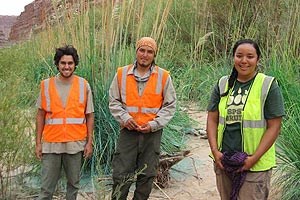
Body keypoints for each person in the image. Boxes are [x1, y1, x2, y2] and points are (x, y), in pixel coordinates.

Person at [206, 39, 285, 200]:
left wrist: (253, 159)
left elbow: (274, 126)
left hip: (255, 165)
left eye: (250, 56)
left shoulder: (268, 85)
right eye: (239, 55)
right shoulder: (223, 84)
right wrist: (215, 152)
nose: (244, 61)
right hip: (224, 161)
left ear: (258, 60)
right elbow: (212, 119)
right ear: (233, 57)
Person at [109, 37, 176, 200]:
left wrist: (154, 124)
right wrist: (125, 118)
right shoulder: (121, 73)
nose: (145, 55)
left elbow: (170, 105)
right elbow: (113, 101)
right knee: (121, 174)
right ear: (136, 51)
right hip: (128, 133)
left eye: (150, 52)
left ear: (154, 55)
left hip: (151, 135)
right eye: (142, 50)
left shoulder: (164, 76)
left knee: (146, 176)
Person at [35, 45, 94, 200]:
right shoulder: (46, 85)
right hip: (51, 144)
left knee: (73, 186)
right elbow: (40, 115)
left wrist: (89, 142)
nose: (66, 66)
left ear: (75, 64)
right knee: (46, 188)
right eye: (63, 63)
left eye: (70, 63)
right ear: (57, 64)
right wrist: (38, 143)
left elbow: (89, 115)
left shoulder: (83, 85)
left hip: (75, 145)